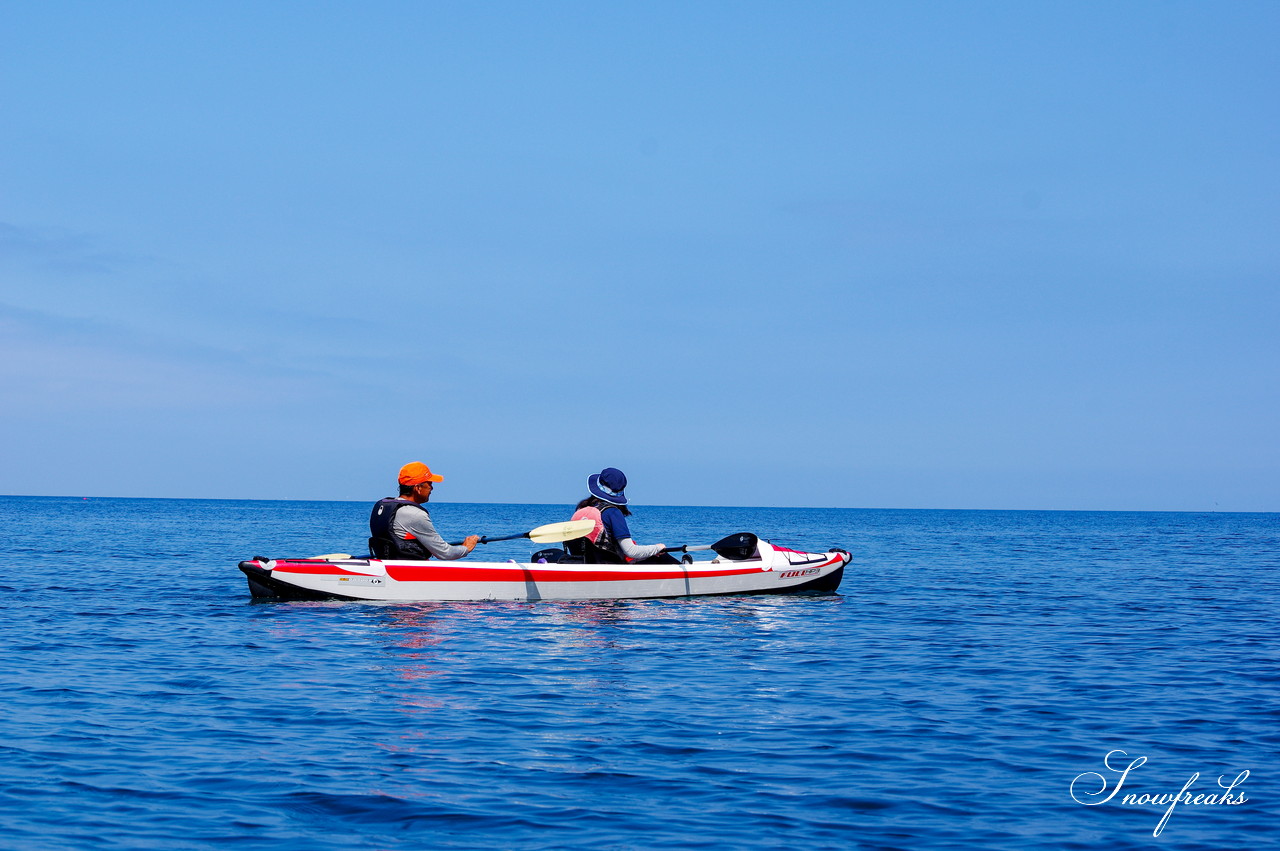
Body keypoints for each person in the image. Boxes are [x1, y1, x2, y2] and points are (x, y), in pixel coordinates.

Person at [564, 467, 678, 564]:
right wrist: (657, 548)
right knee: (663, 557)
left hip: (587, 562)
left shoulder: (581, 510)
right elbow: (630, 551)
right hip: (610, 566)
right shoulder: (612, 512)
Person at [368, 462, 480, 560]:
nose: (432, 488)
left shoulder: (382, 506)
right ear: (418, 488)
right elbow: (445, 553)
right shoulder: (415, 514)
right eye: (429, 484)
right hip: (408, 571)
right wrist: (466, 548)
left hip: (388, 564)